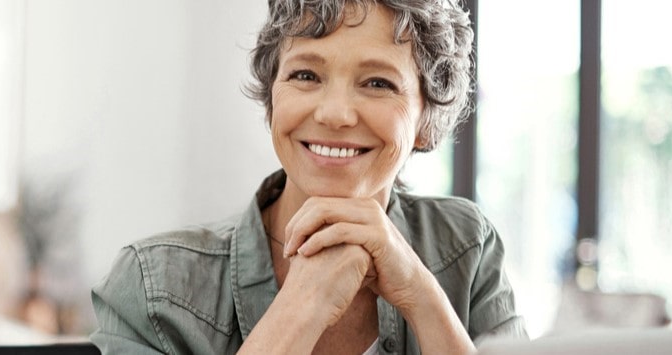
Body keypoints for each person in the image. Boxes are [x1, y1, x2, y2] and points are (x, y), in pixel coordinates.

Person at [90, 0, 527, 354]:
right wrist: (302, 309)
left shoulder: (468, 249)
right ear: (271, 98)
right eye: (305, 75)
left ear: (426, 118)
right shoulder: (154, 286)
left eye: (377, 83)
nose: (334, 114)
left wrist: (420, 293)